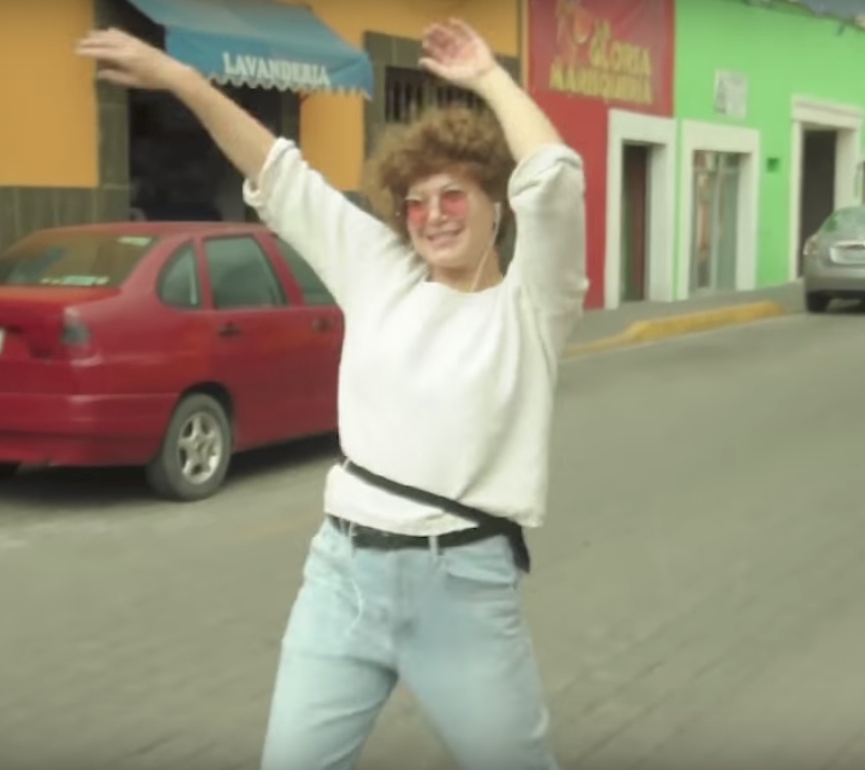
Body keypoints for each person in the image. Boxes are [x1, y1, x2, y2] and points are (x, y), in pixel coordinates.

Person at [77, 17, 588, 770]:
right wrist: (182, 79)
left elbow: (554, 178)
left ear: (497, 206)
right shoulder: (379, 270)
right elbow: (279, 171)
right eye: (416, 201)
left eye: (454, 195)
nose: (433, 215)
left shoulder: (531, 305)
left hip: (460, 586)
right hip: (342, 575)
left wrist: (488, 77)